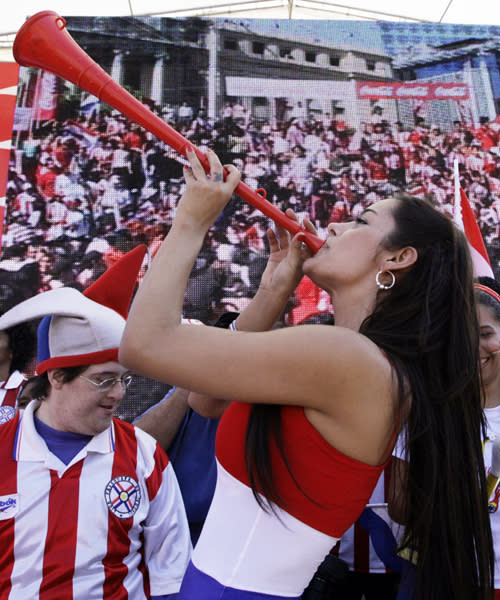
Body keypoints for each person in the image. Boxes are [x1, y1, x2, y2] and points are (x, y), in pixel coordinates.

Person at [120, 148, 494, 600]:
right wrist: (274, 290)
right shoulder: (354, 359)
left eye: (360, 221)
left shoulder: (346, 358)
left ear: (398, 258)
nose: (333, 226)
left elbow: (144, 345)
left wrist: (191, 222)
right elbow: (206, 401)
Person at [0, 246, 191, 599]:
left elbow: (171, 572)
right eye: (104, 379)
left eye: (123, 379)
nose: (118, 393)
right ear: (57, 377)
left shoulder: (143, 455)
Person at [476, 277, 500, 598]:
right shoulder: (433, 414)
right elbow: (404, 509)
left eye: (486, 334)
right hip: (456, 578)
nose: (473, 345)